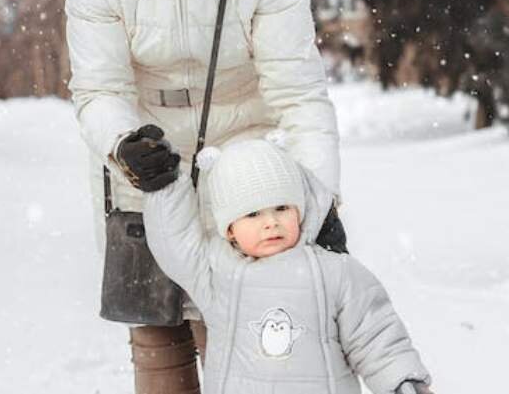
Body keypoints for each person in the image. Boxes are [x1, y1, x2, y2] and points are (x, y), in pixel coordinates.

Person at [64, 0, 344, 393]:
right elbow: (98, 86)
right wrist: (124, 142)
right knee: (158, 340)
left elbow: (299, 93)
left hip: (247, 165)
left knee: (249, 342)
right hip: (146, 162)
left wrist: (318, 203)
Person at [141, 134, 434, 394]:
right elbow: (174, 243)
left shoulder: (335, 272)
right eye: (253, 214)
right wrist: (165, 189)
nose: (271, 223)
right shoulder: (216, 272)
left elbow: (374, 335)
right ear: (229, 228)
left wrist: (402, 380)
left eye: (281, 208)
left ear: (300, 210)